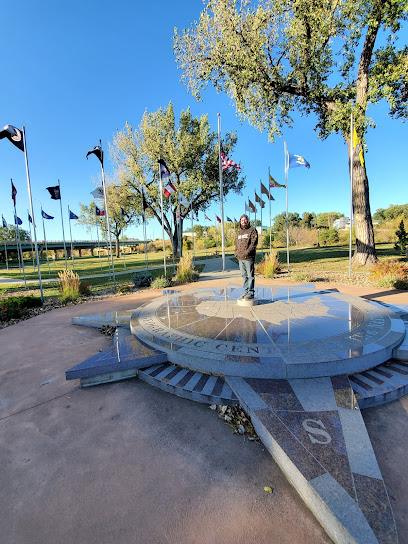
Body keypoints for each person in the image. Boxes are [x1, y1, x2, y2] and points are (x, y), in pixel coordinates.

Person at [235, 214, 258, 300]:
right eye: (242, 220)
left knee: (250, 276)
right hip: (240, 258)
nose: (243, 221)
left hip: (249, 258)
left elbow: (253, 243)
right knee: (244, 276)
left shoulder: (252, 230)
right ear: (240, 222)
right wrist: (236, 253)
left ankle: (251, 293)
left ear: (248, 221)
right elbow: (236, 244)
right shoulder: (239, 233)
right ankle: (246, 292)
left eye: (245, 220)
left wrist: (247, 253)